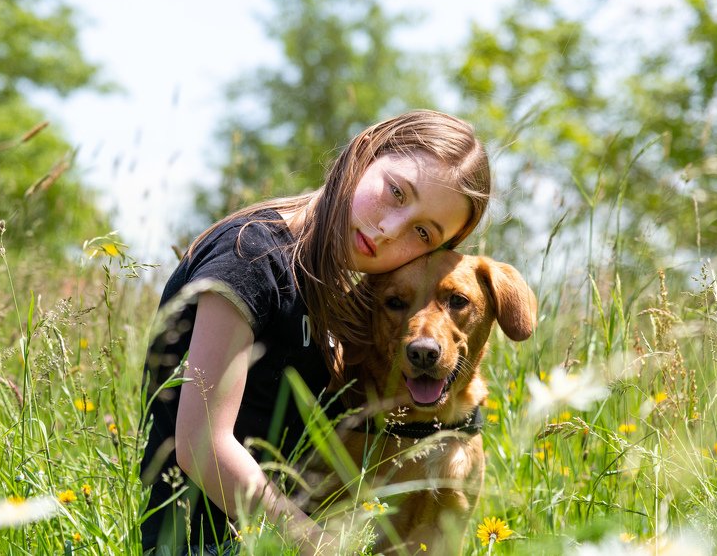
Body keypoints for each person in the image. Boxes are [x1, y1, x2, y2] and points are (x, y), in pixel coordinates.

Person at [139, 110, 491, 555]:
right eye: (396, 192)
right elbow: (201, 444)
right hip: (206, 543)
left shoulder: (340, 290)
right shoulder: (249, 259)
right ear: (366, 153)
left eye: (422, 232)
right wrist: (318, 545)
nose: (389, 229)